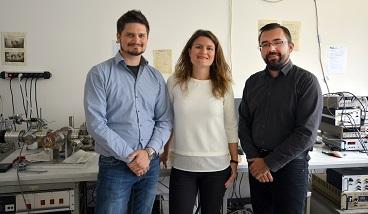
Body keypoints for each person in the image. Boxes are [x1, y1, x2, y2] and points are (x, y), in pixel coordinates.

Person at [84, 10, 172, 214]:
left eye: (141, 35)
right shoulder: (100, 73)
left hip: (149, 165)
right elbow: (96, 124)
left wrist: (148, 152)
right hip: (115, 165)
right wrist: (131, 157)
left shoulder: (155, 77)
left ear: (147, 38)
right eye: (130, 35)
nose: (136, 40)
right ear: (119, 37)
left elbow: (165, 120)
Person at [238, 23, 322, 214]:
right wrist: (254, 159)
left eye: (277, 42)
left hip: (291, 166)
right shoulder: (253, 82)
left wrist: (268, 163)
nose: (271, 48)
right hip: (257, 164)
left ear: (290, 47)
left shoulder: (306, 81)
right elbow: (244, 124)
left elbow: (306, 133)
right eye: (265, 44)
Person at [161, 29, 239, 214]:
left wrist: (234, 162)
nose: (204, 51)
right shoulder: (174, 82)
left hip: (217, 167)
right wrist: (165, 151)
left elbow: (230, 125)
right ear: (189, 51)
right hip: (182, 165)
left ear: (215, 54)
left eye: (209, 48)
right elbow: (168, 120)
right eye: (198, 46)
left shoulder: (224, 85)